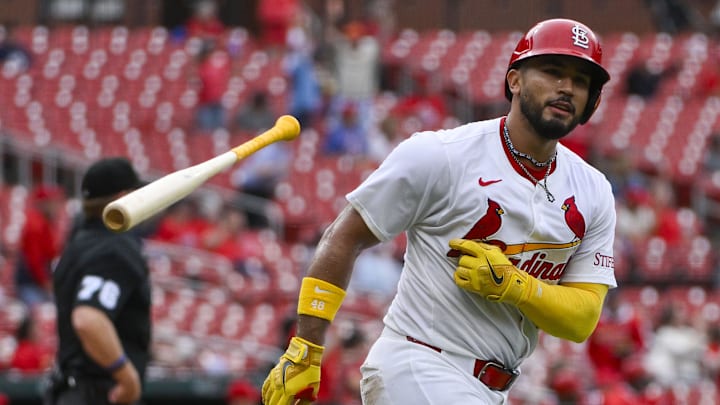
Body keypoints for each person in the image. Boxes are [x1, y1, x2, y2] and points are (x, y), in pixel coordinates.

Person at [261, 18, 617, 405]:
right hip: (420, 362)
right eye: (552, 72)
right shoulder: (441, 155)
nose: (566, 87)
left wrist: (518, 286)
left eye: (581, 80)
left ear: (592, 100)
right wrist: (306, 350)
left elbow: (581, 319)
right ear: (514, 80)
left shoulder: (593, 190)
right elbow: (343, 236)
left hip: (491, 389)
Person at [45, 157, 151, 405]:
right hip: (98, 393)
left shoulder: (78, 243)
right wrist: (126, 378)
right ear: (124, 198)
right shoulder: (113, 247)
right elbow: (88, 319)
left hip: (73, 389)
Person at [15, 184, 65, 308]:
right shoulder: (35, 224)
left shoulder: (45, 222)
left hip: (35, 282)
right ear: (43, 203)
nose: (56, 206)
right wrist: (45, 283)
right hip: (30, 283)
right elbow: (35, 260)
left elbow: (52, 253)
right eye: (52, 202)